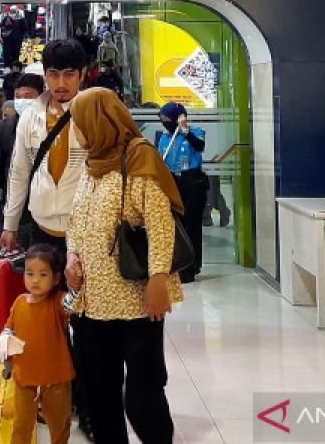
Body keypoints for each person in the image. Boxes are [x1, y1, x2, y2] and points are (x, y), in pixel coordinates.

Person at [66, 88, 184, 444]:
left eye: (78, 122)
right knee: (100, 395)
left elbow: (161, 226)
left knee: (143, 395)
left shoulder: (140, 160)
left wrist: (159, 280)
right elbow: (77, 219)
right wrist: (72, 255)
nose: (75, 130)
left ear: (99, 121)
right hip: (91, 302)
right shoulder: (91, 164)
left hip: (135, 302)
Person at [0, 40, 89, 253]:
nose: (60, 83)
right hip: (40, 226)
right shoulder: (31, 116)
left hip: (86, 228)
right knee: (42, 286)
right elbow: (19, 172)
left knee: (83, 287)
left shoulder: (95, 113)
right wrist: (9, 224)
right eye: (53, 74)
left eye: (69, 74)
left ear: (81, 74)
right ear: (45, 75)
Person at [0, 244, 74, 444]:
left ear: (56, 278)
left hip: (56, 378)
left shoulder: (58, 301)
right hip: (25, 377)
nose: (35, 280)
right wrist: (4, 353)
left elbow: (73, 306)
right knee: (21, 425)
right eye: (29, 273)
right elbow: (10, 329)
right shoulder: (19, 302)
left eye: (42, 274)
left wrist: (75, 282)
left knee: (59, 425)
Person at [0, 73, 45, 244]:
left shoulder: (51, 125)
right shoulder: (1, 130)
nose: (22, 101)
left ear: (41, 97)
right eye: (18, 97)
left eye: (28, 97)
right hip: (13, 208)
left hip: (46, 210)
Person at [155, 103, 209, 283]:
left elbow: (200, 146)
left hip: (192, 182)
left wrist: (184, 129)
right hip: (172, 182)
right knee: (174, 226)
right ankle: (176, 265)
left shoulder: (195, 132)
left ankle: (191, 268)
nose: (165, 123)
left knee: (191, 225)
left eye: (168, 120)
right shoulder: (163, 138)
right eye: (163, 120)